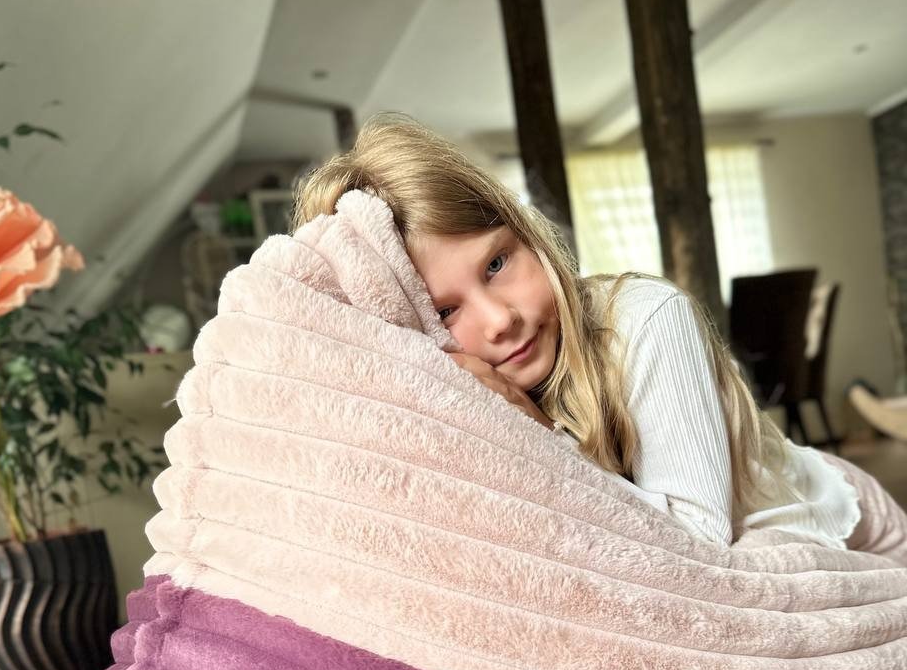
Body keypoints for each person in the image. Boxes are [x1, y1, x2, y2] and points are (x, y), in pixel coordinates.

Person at [290, 113, 907, 565]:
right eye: (447, 310)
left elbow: (697, 540)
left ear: (526, 233)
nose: (499, 319)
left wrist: (523, 427)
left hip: (842, 513)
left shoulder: (644, 316)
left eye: (498, 264)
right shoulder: (442, 398)